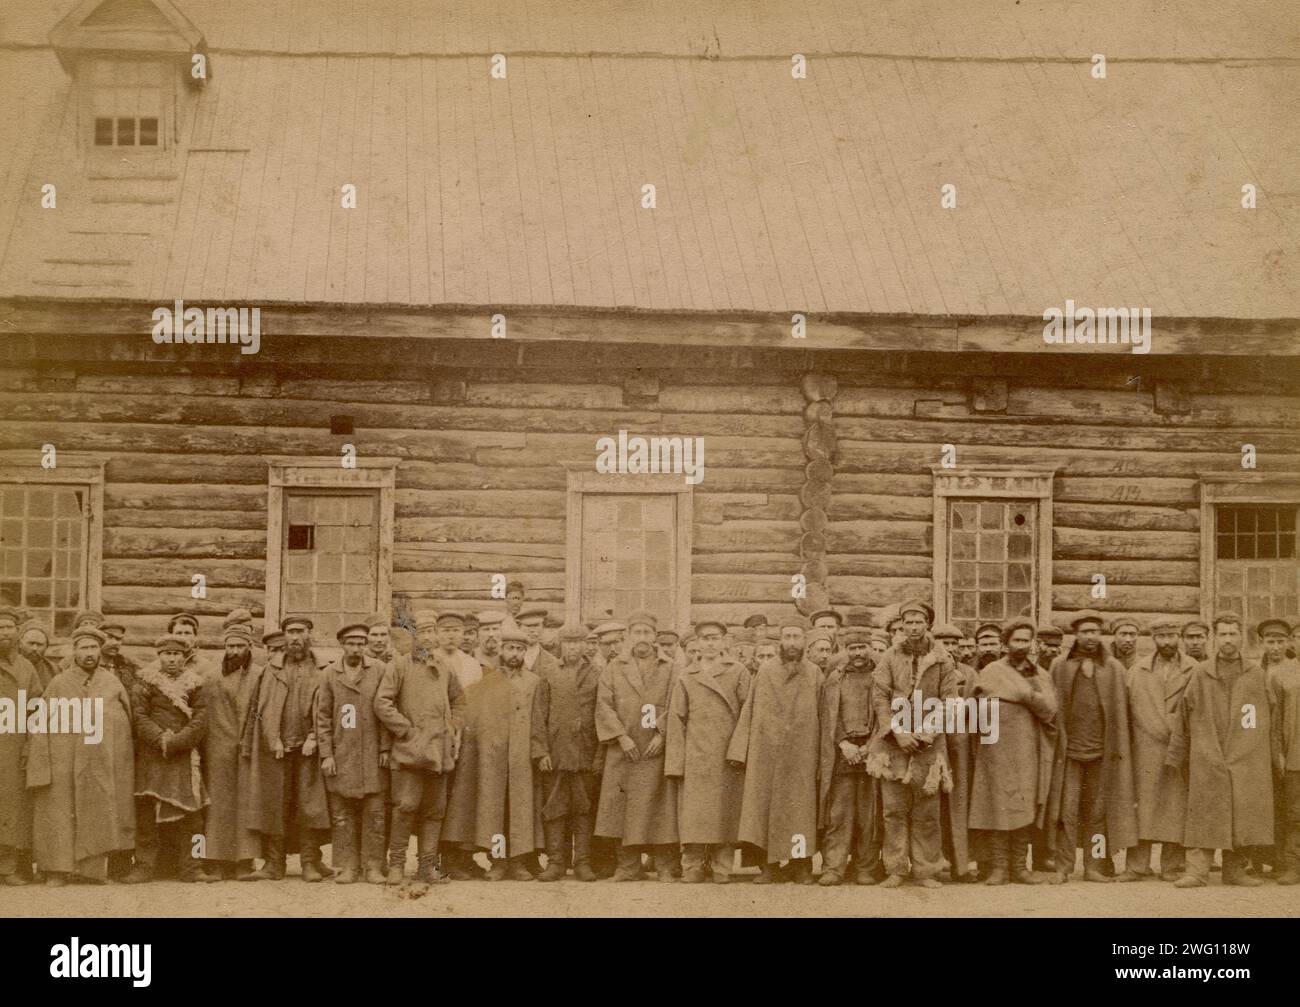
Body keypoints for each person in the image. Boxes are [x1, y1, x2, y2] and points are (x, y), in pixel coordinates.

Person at [1167, 613, 1275, 888]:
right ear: (1215, 638)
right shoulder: (1201, 673)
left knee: (1242, 811)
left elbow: (1267, 715)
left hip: (1245, 754)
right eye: (1223, 634)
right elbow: (1183, 714)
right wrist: (1176, 754)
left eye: (1233, 634)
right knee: (1204, 809)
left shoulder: (1256, 675)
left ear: (1241, 637)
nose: (1228, 640)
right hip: (1208, 752)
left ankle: (1236, 870)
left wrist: (1259, 750)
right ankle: (1197, 871)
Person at [26, 625, 135, 886]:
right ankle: (56, 870)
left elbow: (124, 723)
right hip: (63, 757)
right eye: (83, 648)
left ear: (100, 651)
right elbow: (40, 724)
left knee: (96, 809)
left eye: (93, 648)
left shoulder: (111, 682)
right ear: (73, 651)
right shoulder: (59, 682)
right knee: (59, 811)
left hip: (99, 759)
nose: (89, 653)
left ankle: (92, 871)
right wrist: (43, 761)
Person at [866, 599, 959, 888]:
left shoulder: (943, 660)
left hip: (929, 747)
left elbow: (950, 701)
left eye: (919, 622)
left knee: (927, 811)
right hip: (893, 745)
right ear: (902, 626)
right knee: (893, 809)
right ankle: (896, 868)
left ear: (927, 624)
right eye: (908, 622)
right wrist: (897, 731)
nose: (914, 627)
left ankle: (926, 870)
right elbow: (880, 696)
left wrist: (928, 732)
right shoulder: (889, 658)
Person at [442, 625, 544, 881]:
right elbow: (475, 721)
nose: (515, 654)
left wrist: (538, 751)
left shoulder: (534, 683)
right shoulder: (486, 682)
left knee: (520, 812)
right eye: (510, 648)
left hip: (522, 761)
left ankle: (518, 863)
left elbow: (540, 721)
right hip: (493, 761)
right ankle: (498, 862)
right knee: (495, 812)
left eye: (520, 649)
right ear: (501, 650)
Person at [1045, 611, 1138, 883]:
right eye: (1084, 631)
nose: (1089, 637)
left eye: (1094, 631)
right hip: (1069, 754)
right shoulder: (1060, 666)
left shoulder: (1114, 669)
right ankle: (1063, 867)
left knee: (1098, 813)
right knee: (1067, 811)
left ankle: (1094, 866)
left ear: (1101, 635)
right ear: (1075, 634)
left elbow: (1124, 714)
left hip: (1103, 754)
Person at [727, 615, 821, 885]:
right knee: (763, 808)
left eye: (797, 637)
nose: (792, 643)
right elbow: (750, 709)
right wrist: (739, 750)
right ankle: (768, 866)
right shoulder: (766, 670)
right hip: (766, 752)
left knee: (800, 810)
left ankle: (800, 865)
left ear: (805, 641)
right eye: (787, 637)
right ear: (780, 641)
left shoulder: (814, 673)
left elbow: (824, 715)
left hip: (802, 753)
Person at [374, 613, 466, 888]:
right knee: (405, 807)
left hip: (439, 753)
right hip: (409, 752)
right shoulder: (398, 666)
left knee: (435, 811)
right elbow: (382, 703)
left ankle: (427, 866)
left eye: (431, 632)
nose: (426, 637)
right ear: (412, 636)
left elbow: (459, 700)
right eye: (421, 632)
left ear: (436, 635)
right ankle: (397, 865)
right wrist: (406, 731)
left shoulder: (444, 667)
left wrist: (453, 726)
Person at [241, 614, 331, 882]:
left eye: (299, 631)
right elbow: (256, 710)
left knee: (309, 806)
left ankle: (310, 863)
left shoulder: (323, 670)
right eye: (290, 632)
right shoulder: (271, 670)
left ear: (309, 634)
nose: (294, 637)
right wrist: (270, 739)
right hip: (277, 751)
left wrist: (315, 737)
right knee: (274, 805)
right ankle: (273, 864)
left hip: (309, 751)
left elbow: (330, 710)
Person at [968, 620, 1057, 885]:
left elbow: (1050, 710)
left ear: (1032, 643)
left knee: (1023, 804)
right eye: (1016, 640)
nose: (1021, 645)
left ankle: (1020, 866)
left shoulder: (1040, 675)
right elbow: (977, 707)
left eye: (1026, 640)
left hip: (1027, 749)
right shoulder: (992, 670)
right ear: (1006, 643)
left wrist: (1022, 693)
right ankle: (999, 868)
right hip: (995, 749)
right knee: (997, 805)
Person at [595, 611, 679, 881]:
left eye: (647, 633)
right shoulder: (614, 667)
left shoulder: (670, 667)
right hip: (625, 750)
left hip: (655, 750)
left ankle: (665, 864)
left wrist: (662, 735)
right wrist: (621, 737)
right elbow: (604, 705)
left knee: (660, 808)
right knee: (622, 807)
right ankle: (628, 866)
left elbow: (677, 703)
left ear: (654, 637)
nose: (642, 638)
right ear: (629, 636)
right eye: (637, 632)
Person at [125, 634, 214, 883]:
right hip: (152, 756)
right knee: (146, 814)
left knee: (193, 816)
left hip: (185, 757)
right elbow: (139, 717)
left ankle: (193, 867)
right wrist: (160, 739)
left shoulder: (196, 684)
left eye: (176, 654)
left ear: (184, 657)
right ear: (159, 656)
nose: (172, 659)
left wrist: (177, 742)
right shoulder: (144, 682)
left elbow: (200, 719)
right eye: (167, 654)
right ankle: (144, 866)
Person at [666, 619, 748, 884]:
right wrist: (676, 763)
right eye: (705, 639)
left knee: (725, 810)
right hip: (696, 754)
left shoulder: (738, 671)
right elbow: (676, 718)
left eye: (715, 638)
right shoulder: (686, 675)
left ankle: (722, 866)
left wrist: (739, 749)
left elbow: (748, 714)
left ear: (724, 641)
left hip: (727, 754)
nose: (710, 643)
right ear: (698, 643)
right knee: (694, 813)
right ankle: (692, 865)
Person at [1121, 619, 1196, 882]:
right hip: (1144, 748)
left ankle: (1172, 865)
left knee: (1175, 805)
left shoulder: (1194, 670)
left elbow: (1197, 710)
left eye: (1171, 635)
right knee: (1142, 805)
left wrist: (1177, 729)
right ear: (1153, 639)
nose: (1166, 641)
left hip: (1179, 747)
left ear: (1179, 636)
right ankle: (1137, 865)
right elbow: (1126, 712)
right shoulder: (1136, 671)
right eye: (1161, 636)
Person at [316, 623, 389, 885]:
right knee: (342, 815)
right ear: (342, 645)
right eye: (351, 643)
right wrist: (327, 754)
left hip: (372, 754)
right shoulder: (329, 675)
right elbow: (322, 717)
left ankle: (373, 866)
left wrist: (385, 747)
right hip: (342, 753)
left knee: (375, 815)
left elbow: (386, 711)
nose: (356, 648)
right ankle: (348, 866)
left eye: (361, 643)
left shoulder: (379, 670)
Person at [533, 625, 602, 881]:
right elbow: (539, 715)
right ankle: (556, 862)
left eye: (578, 642)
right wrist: (541, 752)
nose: (573, 647)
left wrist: (599, 755)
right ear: (561, 645)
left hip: (585, 753)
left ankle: (582, 862)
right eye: (568, 642)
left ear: (586, 645)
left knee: (583, 809)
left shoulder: (598, 674)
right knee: (555, 809)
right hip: (556, 754)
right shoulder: (549, 673)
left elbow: (602, 715)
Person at [816, 626, 883, 885]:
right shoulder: (835, 678)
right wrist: (844, 743)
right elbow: (827, 716)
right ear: (845, 651)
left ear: (869, 648)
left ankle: (865, 866)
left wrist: (870, 745)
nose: (858, 653)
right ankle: (834, 867)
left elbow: (885, 713)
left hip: (872, 750)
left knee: (868, 814)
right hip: (843, 752)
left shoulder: (880, 676)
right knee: (839, 813)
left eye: (862, 647)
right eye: (852, 648)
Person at [203, 620, 263, 881]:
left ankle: (244, 861)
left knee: (246, 805)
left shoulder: (261, 674)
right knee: (218, 806)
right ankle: (216, 860)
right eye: (231, 646)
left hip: (250, 746)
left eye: (240, 645)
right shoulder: (212, 676)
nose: (235, 650)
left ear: (249, 646)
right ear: (224, 647)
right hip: (218, 748)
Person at [0, 608, 41, 885]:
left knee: (11, 807)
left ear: (18, 632)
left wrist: (29, 746)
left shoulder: (26, 668)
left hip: (14, 749)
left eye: (9, 628)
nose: (4, 633)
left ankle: (7, 867)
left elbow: (35, 708)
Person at [1263, 619, 1300, 885]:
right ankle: (1292, 865)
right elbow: (1274, 722)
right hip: (1294, 754)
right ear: (1293, 642)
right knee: (1294, 812)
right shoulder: (1282, 674)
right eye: (1298, 637)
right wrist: (1279, 754)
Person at [17, 622, 58, 691]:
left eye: (39, 645)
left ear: (46, 647)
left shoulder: (53, 670)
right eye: (31, 643)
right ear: (20, 644)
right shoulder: (10, 666)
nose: (34, 648)